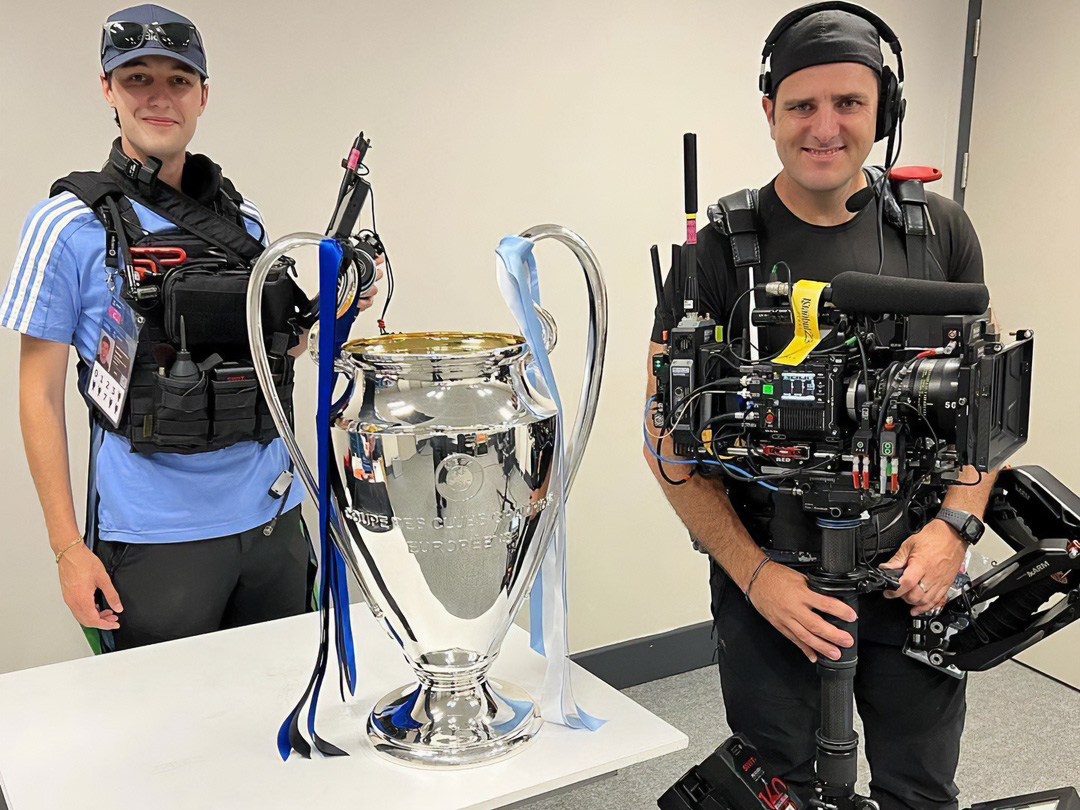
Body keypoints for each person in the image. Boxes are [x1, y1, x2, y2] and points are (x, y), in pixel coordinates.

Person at [645, 5, 994, 809]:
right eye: (802, 106)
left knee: (920, 787)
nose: (825, 127)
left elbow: (983, 405)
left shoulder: (939, 231)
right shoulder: (716, 250)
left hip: (916, 570)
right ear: (770, 112)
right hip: (775, 582)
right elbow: (664, 441)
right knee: (781, 789)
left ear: (885, 112)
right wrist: (756, 575)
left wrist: (953, 530)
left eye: (850, 104)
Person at [2, 5, 380, 653]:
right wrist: (67, 547)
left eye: (178, 80)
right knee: (164, 737)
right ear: (107, 90)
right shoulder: (66, 224)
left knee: (279, 709)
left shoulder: (244, 220)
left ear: (202, 95)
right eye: (137, 78)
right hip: (153, 539)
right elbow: (37, 397)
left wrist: (337, 310)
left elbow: (275, 352)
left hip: (274, 520)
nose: (158, 97)